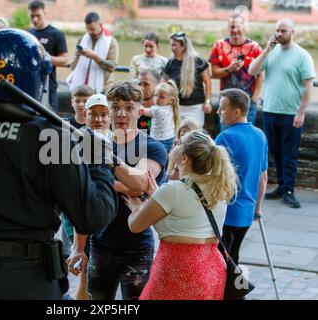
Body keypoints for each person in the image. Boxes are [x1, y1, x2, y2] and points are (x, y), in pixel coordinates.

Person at [0, 29, 118, 300]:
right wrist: (98, 159)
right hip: (24, 276)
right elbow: (92, 216)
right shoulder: (52, 136)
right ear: (37, 77)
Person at [69, 81, 167, 300]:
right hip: (100, 243)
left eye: (129, 107)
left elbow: (141, 182)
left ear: (140, 112)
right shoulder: (93, 145)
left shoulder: (152, 147)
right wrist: (78, 247)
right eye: (115, 107)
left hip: (137, 247)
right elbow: (84, 199)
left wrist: (105, 171)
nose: (121, 113)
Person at [125, 130, 237, 300]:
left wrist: (135, 207)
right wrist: (156, 196)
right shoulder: (218, 187)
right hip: (212, 269)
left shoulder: (172, 190)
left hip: (179, 270)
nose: (176, 142)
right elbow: (187, 215)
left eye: (181, 142)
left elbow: (135, 225)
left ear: (185, 158)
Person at [249, 18, 315, 209]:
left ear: (292, 32)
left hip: (291, 113)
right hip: (270, 110)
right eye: (277, 31)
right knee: (276, 152)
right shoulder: (271, 52)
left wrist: (301, 112)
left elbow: (308, 87)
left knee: (290, 153)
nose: (279, 34)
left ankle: (289, 190)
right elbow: (253, 70)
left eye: (283, 31)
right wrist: (267, 50)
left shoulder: (302, 55)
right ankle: (281, 186)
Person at [67, 93, 111, 300]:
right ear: (85, 115)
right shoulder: (77, 140)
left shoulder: (116, 140)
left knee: (93, 278)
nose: (99, 119)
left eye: (104, 114)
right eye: (93, 114)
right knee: (86, 276)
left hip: (105, 217)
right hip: (80, 220)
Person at [216, 88, 268, 265]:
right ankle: (234, 292)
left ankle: (232, 293)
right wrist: (257, 209)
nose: (218, 112)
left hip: (227, 211)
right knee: (233, 259)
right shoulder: (260, 135)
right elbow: (263, 177)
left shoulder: (225, 138)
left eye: (222, 108)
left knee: (220, 263)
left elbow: (215, 177)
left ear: (236, 111)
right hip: (247, 211)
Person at [209, 13, 264, 129]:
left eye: (238, 26)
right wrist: (229, 69)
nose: (235, 30)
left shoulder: (254, 47)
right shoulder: (219, 45)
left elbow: (261, 74)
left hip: (247, 101)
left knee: (245, 136)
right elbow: (214, 73)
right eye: (232, 26)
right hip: (226, 101)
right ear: (228, 28)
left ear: (244, 27)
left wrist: (254, 98)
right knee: (225, 136)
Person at [164, 32, 211, 128]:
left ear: (183, 46)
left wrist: (208, 102)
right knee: (178, 134)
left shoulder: (198, 61)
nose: (171, 48)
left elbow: (207, 81)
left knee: (194, 134)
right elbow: (164, 84)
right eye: (171, 45)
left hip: (196, 107)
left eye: (174, 45)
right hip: (177, 107)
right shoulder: (170, 63)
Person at [28, 0, 68, 112]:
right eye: (32, 16)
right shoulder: (29, 34)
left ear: (45, 13)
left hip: (49, 86)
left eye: (38, 16)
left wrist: (45, 56)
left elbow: (64, 60)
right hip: (31, 85)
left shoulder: (56, 34)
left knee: (49, 122)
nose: (35, 19)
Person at [67, 12, 119, 94]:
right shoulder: (82, 40)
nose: (90, 32)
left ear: (100, 25)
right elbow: (72, 67)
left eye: (92, 29)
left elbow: (112, 67)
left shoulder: (111, 42)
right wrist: (77, 56)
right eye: (87, 29)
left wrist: (94, 57)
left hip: (103, 88)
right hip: (81, 89)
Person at [140, 80, 180, 154]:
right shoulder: (171, 107)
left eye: (161, 97)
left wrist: (136, 103)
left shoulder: (156, 110)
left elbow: (142, 111)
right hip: (171, 138)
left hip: (158, 140)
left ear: (171, 100)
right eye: (155, 95)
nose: (157, 98)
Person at [137, 69, 161, 135]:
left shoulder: (164, 111)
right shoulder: (133, 109)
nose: (141, 88)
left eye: (146, 84)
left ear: (157, 86)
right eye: (139, 84)